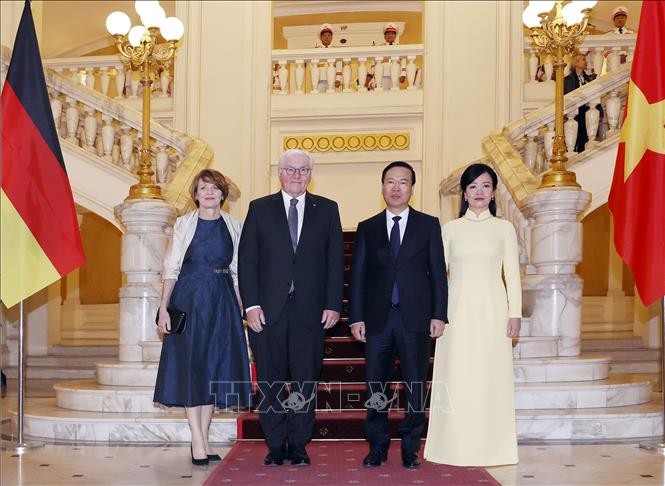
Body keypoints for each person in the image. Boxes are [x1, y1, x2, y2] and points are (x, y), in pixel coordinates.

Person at [239, 149, 344, 467]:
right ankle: (274, 444)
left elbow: (335, 261)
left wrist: (333, 304)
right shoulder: (260, 209)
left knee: (305, 380)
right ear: (279, 173)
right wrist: (252, 305)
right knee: (270, 380)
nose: (297, 175)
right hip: (267, 312)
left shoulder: (327, 209)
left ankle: (298, 443)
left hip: (310, 312)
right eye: (290, 169)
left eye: (303, 170)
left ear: (310, 174)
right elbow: (247, 261)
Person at [349, 161, 447, 470]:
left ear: (412, 189)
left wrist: (439, 314)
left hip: (415, 320)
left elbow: (438, 275)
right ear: (382, 187)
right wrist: (356, 317)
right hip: (378, 320)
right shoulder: (368, 227)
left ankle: (410, 448)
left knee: (415, 385)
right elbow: (359, 277)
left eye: (403, 182)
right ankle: (377, 446)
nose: (395, 187)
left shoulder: (429, 225)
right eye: (390, 181)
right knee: (376, 387)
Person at [424, 163, 521, 467]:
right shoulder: (450, 229)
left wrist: (515, 312)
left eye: (486, 186)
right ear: (464, 193)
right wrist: (436, 313)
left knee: (491, 379)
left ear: (493, 192)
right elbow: (439, 277)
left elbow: (512, 275)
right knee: (457, 377)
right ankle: (450, 446)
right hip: (456, 313)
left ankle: (494, 448)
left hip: (494, 312)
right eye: (473, 187)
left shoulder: (504, 228)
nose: (479, 192)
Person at [153, 169, 251, 467]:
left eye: (214, 188)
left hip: (221, 301)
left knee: (213, 369)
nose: (209, 192)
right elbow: (171, 269)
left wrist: (241, 309)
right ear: (195, 195)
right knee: (192, 368)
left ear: (223, 194)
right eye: (202, 188)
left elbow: (236, 273)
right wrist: (163, 308)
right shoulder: (183, 224)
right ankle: (197, 439)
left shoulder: (234, 225)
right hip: (190, 297)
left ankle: (204, 439)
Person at [563, 52, 600, 153]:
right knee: (577, 137)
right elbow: (568, 98)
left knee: (587, 136)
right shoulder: (569, 79)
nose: (586, 61)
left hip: (587, 111)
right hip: (576, 113)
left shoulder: (588, 78)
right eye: (583, 60)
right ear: (576, 62)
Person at [366, 23, 407, 91]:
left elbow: (403, 61)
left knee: (395, 93)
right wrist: (373, 73)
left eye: (392, 34)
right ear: (384, 36)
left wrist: (403, 74)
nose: (390, 35)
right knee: (382, 93)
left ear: (395, 36)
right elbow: (374, 62)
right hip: (382, 73)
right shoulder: (379, 48)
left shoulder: (399, 48)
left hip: (396, 73)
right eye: (388, 34)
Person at [314, 24, 342, 92]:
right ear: (321, 38)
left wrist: (338, 79)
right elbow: (313, 66)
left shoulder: (336, 50)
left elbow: (339, 65)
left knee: (333, 101)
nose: (326, 38)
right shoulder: (316, 50)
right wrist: (315, 79)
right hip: (320, 80)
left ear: (331, 37)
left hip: (333, 80)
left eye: (328, 35)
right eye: (324, 35)